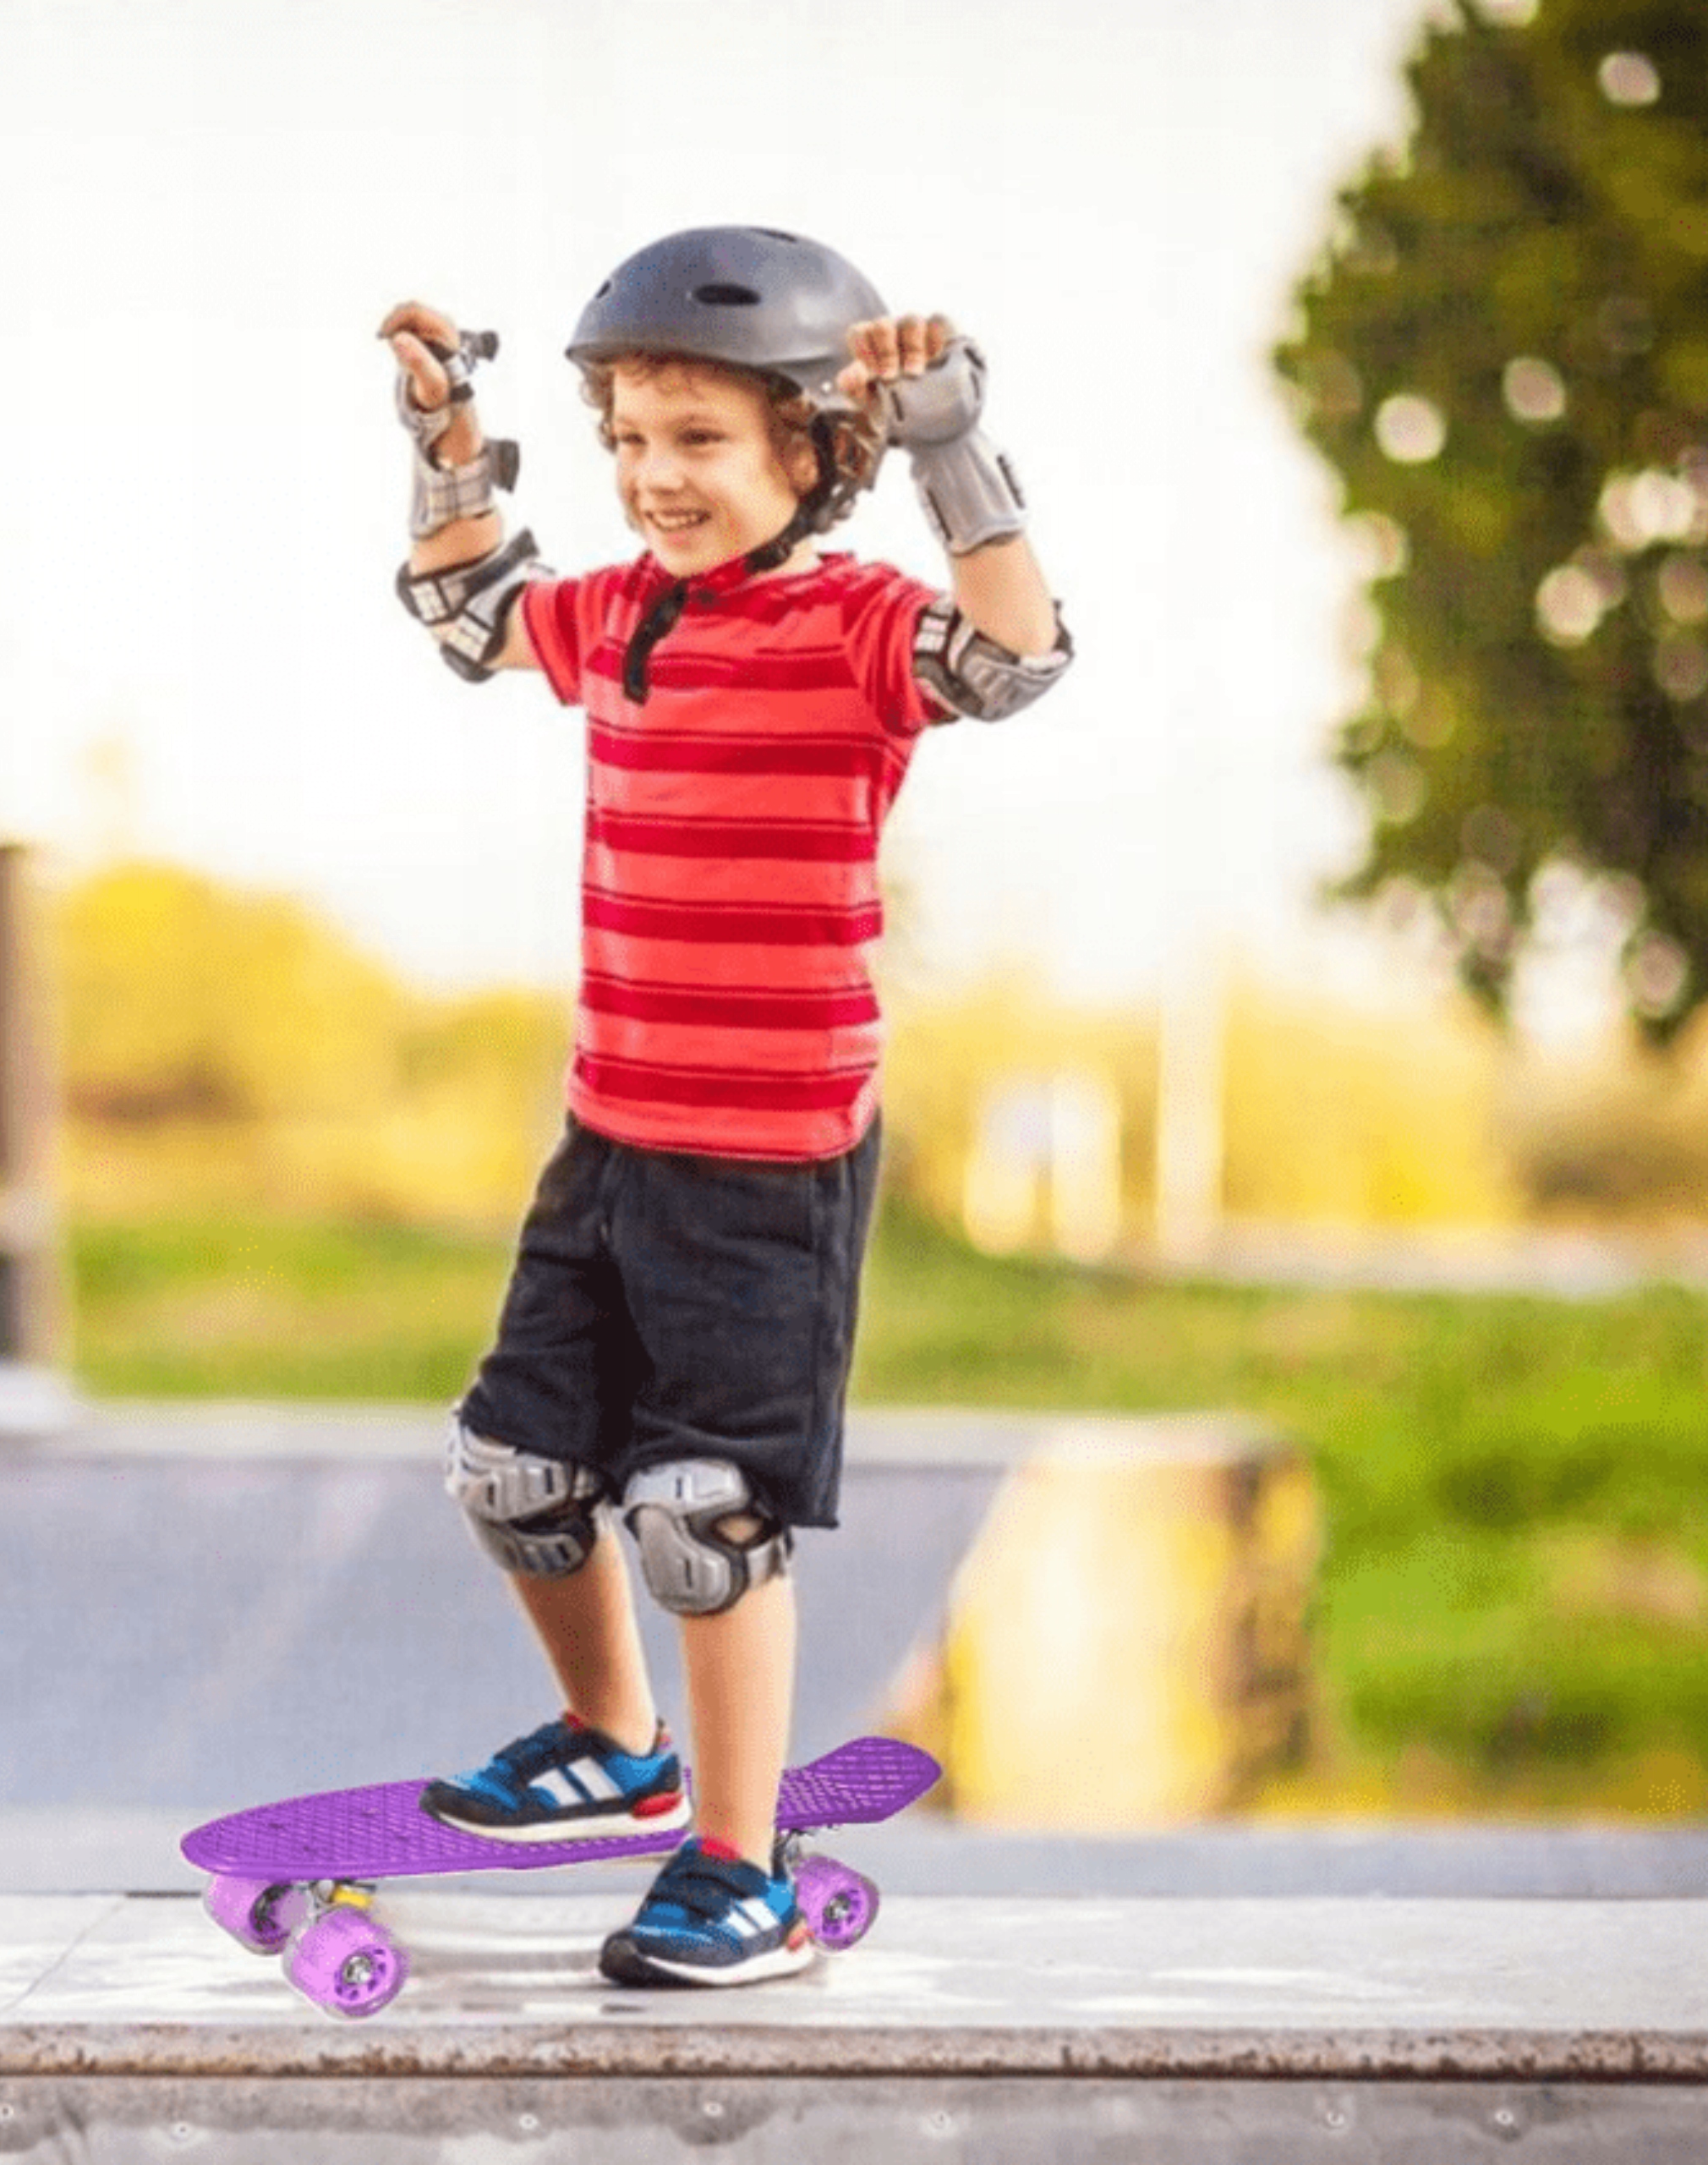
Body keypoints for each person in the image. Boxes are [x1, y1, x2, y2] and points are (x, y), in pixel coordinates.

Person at [380, 226, 1071, 1988]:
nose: (648, 477)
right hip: (607, 1133)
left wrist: (945, 443)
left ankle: (736, 1865)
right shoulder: (618, 615)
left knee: (699, 1512)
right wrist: (449, 441)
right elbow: (469, 607)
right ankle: (610, 1740)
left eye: (694, 441)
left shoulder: (847, 628)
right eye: (624, 438)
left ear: (805, 452)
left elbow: (1013, 655)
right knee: (516, 1472)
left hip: (768, 1165)